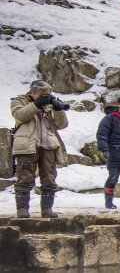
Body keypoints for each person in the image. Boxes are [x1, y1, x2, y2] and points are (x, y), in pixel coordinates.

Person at [10, 79, 69, 218]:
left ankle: (47, 209)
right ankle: (22, 209)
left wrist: (58, 109)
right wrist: (36, 104)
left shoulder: (49, 105)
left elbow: (61, 125)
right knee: (25, 177)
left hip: (48, 145)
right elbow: (20, 115)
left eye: (48, 94)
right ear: (33, 92)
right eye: (42, 94)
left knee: (49, 178)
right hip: (27, 145)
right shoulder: (19, 101)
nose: (46, 97)